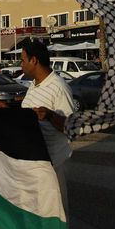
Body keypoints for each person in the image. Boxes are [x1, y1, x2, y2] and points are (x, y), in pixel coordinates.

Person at [19, 40, 75, 219]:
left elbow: (72, 127)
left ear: (34, 60)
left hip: (53, 164)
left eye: (22, 60)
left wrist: (50, 116)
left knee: (55, 214)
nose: (20, 64)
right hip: (34, 162)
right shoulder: (34, 85)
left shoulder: (59, 87)